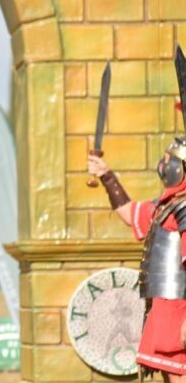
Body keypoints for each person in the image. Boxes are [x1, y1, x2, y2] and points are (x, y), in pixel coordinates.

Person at [88, 142, 186, 382]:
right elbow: (130, 214)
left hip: (179, 310)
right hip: (164, 307)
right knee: (170, 374)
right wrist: (106, 176)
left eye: (168, 161)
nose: (163, 166)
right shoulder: (167, 205)